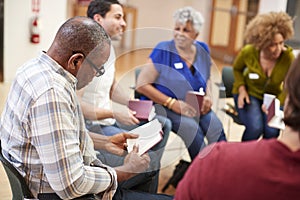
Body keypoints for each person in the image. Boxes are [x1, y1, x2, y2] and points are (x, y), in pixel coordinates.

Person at [0, 16, 171, 200]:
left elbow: (57, 135)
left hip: (50, 179)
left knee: (148, 164)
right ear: (75, 61)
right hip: (57, 193)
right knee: (150, 171)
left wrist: (105, 142)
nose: (96, 76)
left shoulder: (31, 68)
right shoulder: (52, 94)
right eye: (98, 69)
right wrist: (125, 171)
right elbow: (72, 186)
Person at [76, 0, 172, 196]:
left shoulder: (108, 48)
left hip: (109, 119)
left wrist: (133, 104)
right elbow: (75, 104)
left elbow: (111, 87)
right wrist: (113, 113)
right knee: (149, 162)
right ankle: (125, 187)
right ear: (98, 19)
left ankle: (134, 184)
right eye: (118, 17)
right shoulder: (85, 52)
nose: (124, 23)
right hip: (93, 125)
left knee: (163, 123)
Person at [175, 53, 300, 200]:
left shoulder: (217, 161)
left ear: (289, 96)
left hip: (212, 167)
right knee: (254, 126)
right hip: (246, 99)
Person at [136, 6, 226, 160]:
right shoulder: (163, 49)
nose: (180, 33)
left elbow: (207, 78)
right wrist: (172, 103)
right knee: (192, 130)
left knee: (216, 130)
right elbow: (142, 84)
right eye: (177, 28)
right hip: (164, 106)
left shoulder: (203, 49)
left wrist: (209, 96)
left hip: (195, 105)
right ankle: (202, 174)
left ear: (196, 34)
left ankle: (223, 168)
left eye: (186, 30)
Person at [232, 11, 295, 141]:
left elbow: (289, 85)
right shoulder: (249, 52)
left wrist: (277, 103)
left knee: (272, 131)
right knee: (255, 128)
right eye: (272, 44)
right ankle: (243, 157)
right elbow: (237, 69)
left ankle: (264, 159)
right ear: (261, 43)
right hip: (250, 95)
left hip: (274, 98)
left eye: (281, 43)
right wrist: (241, 89)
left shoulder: (287, 57)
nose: (278, 48)